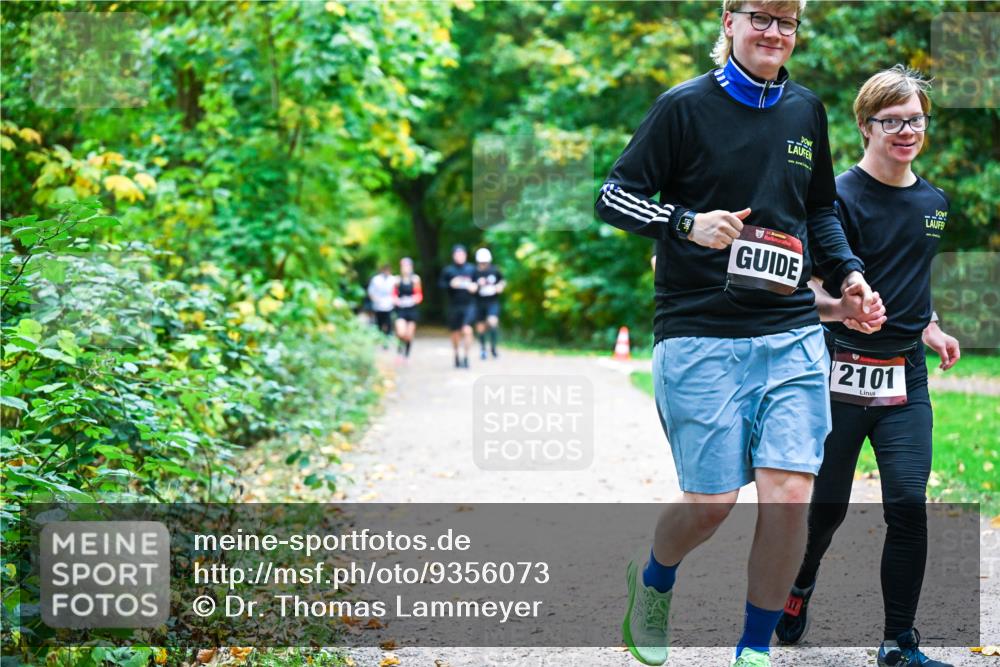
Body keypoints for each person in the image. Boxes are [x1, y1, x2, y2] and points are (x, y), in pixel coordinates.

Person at [594, 2, 878, 665]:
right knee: (712, 504)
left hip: (789, 328)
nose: (774, 31)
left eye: (788, 21)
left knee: (788, 497)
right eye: (761, 16)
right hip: (699, 328)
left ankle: (754, 648)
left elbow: (819, 208)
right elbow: (613, 195)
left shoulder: (806, 110)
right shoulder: (682, 108)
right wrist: (685, 221)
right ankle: (655, 576)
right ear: (729, 21)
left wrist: (850, 275)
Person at [774, 66, 960, 667]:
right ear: (865, 125)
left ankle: (898, 643)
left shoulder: (933, 203)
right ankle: (801, 582)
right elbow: (799, 287)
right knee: (825, 511)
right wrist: (838, 310)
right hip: (838, 375)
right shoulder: (837, 200)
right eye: (892, 121)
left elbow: (912, 277)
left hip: (905, 376)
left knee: (908, 503)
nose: (906, 132)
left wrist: (930, 326)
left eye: (916, 120)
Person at [438, 244, 477, 369]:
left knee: (467, 330)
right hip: (454, 306)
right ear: (453, 256)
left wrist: (475, 287)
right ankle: (456, 355)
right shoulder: (448, 270)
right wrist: (450, 284)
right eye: (457, 254)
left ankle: (466, 357)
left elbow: (479, 283)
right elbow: (440, 285)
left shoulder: (472, 269)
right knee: (455, 334)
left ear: (465, 255)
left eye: (462, 254)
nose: (460, 256)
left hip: (469, 305)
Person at [473, 248, 505, 360]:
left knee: (493, 322)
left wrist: (500, 286)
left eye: (485, 262)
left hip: (492, 301)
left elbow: (502, 281)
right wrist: (477, 285)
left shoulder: (495, 270)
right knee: (481, 327)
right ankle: (483, 349)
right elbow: (470, 287)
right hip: (479, 302)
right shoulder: (474, 272)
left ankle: (493, 348)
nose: (484, 265)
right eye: (482, 263)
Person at [393, 257, 423, 358]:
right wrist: (397, 300)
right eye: (404, 266)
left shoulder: (415, 279)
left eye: (408, 266)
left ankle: (406, 354)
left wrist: (414, 299)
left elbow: (419, 295)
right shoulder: (397, 280)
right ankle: (399, 349)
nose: (406, 268)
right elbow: (394, 295)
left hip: (412, 309)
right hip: (401, 309)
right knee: (401, 332)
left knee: (409, 334)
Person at [367, 264, 396, 345]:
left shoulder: (393, 279)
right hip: (378, 305)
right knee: (379, 323)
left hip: (389, 305)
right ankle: (380, 338)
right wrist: (375, 300)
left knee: (388, 323)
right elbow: (371, 292)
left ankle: (387, 340)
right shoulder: (376, 279)